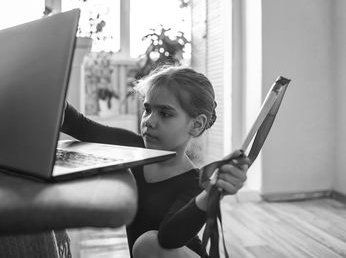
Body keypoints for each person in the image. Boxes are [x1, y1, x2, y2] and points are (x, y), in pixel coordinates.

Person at [61, 66, 250, 258]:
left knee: (148, 243)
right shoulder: (133, 148)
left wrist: (208, 194)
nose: (149, 121)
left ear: (196, 124)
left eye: (165, 113)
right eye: (148, 109)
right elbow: (79, 126)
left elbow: (169, 238)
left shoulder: (195, 182)